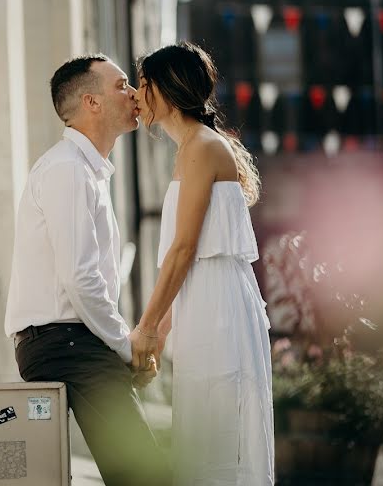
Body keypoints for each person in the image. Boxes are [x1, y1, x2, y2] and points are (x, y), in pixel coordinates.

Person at [5, 54, 170, 485]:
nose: (133, 93)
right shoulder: (67, 170)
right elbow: (81, 278)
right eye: (120, 85)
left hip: (73, 342)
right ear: (91, 103)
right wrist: (125, 345)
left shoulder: (85, 171)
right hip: (66, 343)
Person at [131, 42, 274, 485]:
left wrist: (148, 325)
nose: (136, 95)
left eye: (142, 84)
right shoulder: (191, 148)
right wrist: (163, 330)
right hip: (205, 306)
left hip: (220, 312)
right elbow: (188, 258)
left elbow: (184, 250)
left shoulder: (203, 148)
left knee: (219, 443)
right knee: (202, 441)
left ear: (165, 91)